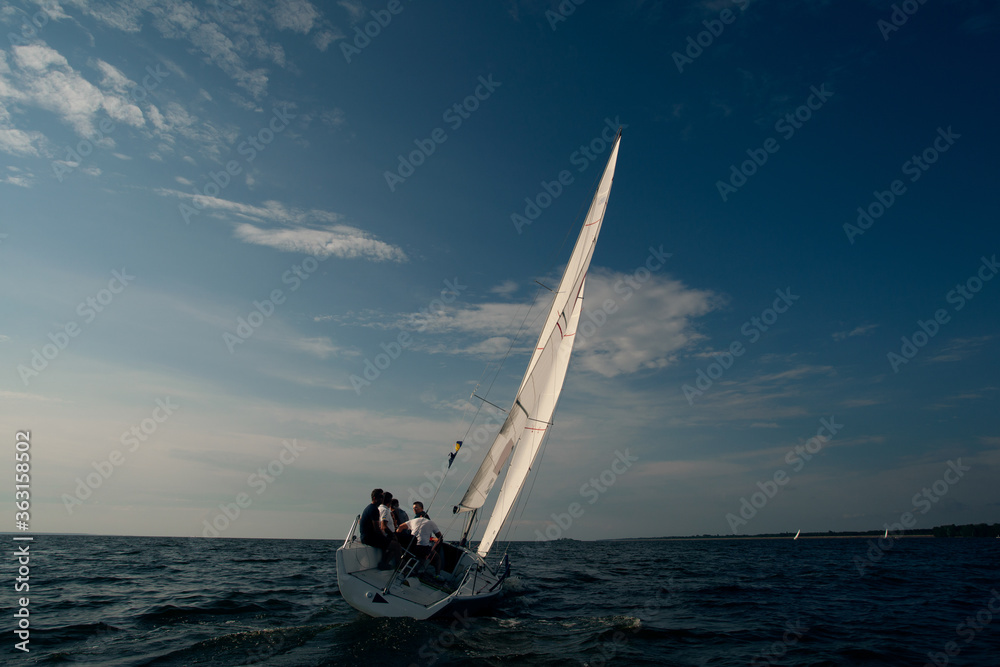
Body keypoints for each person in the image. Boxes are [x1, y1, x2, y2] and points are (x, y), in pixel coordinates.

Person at [360, 488, 400, 570]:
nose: (382, 499)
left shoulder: (371, 508)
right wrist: (385, 538)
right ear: (375, 498)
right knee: (397, 546)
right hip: (369, 538)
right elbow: (377, 528)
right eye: (381, 497)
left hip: (367, 537)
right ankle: (397, 567)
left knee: (392, 544)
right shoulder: (374, 509)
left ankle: (384, 562)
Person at [396, 513, 444, 577]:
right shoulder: (431, 522)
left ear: (420, 516)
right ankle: (437, 575)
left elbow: (400, 527)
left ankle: (408, 568)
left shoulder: (414, 520)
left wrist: (397, 537)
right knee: (437, 557)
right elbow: (440, 537)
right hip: (423, 550)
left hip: (411, 547)